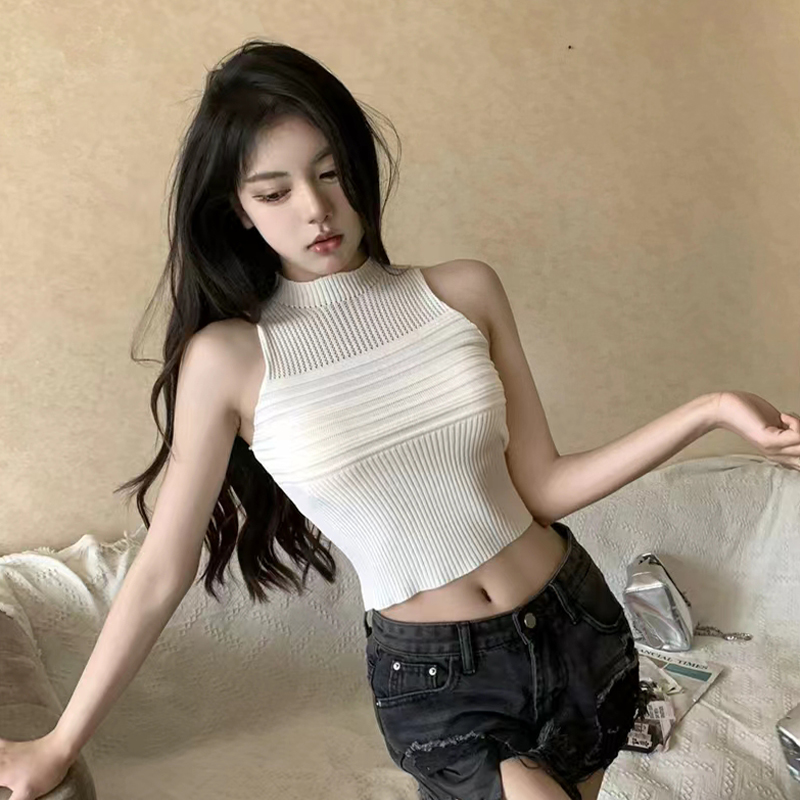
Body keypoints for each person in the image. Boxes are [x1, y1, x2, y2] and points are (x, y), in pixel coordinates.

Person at [2, 38, 799, 800]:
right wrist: (61, 743)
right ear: (237, 210)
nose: (316, 209)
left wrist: (708, 411)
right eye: (274, 192)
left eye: (331, 173)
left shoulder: (463, 292)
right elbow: (161, 569)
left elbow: (543, 487)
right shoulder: (229, 359)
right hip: (442, 681)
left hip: (577, 623)